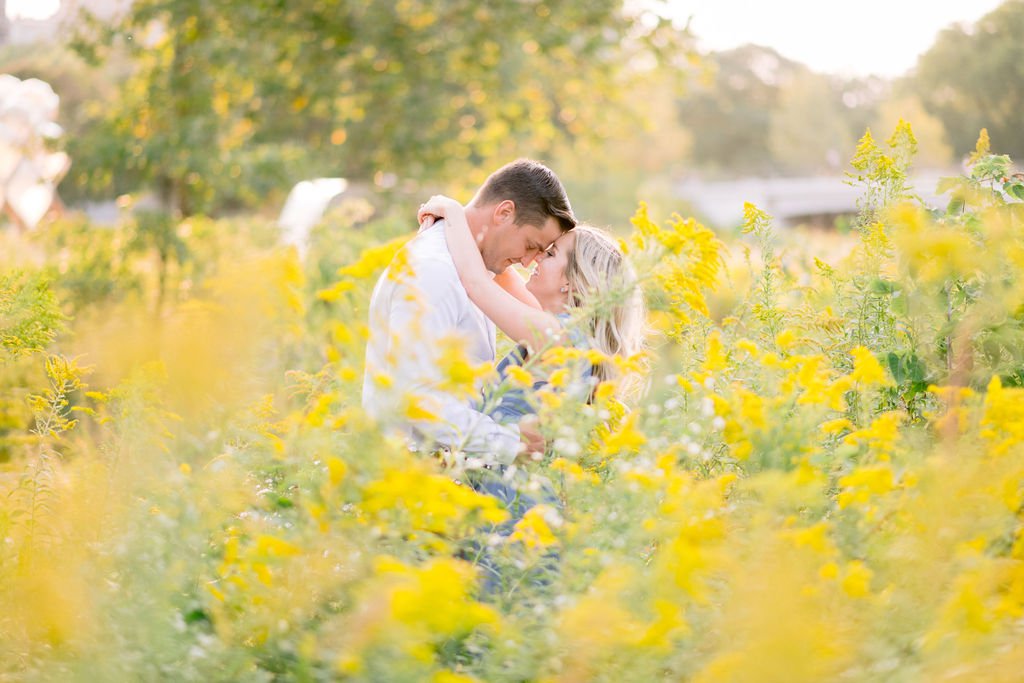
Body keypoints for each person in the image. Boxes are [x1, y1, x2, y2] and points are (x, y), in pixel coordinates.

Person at [361, 159, 576, 466]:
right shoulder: (433, 271)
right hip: (408, 479)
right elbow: (417, 397)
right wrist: (510, 442)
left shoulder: (472, 268)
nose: (529, 262)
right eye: (530, 245)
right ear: (503, 213)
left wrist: (453, 214)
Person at [416, 195, 646, 425]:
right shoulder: (550, 325)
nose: (535, 258)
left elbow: (477, 282)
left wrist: (452, 211)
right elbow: (494, 261)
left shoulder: (564, 339)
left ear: (572, 282)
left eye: (550, 253)